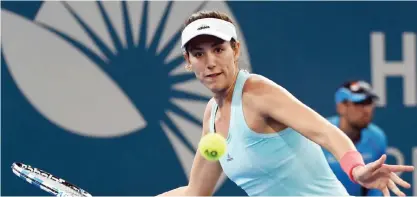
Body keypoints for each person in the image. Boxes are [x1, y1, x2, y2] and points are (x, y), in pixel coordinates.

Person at [158, 10, 414, 196]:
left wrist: (356, 170)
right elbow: (196, 192)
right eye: (199, 54)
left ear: (235, 50)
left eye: (218, 49)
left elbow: (325, 132)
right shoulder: (211, 116)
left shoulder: (257, 93)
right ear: (188, 61)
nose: (210, 62)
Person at [322, 80, 388, 196]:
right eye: (359, 103)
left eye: (369, 103)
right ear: (341, 107)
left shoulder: (377, 138)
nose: (367, 110)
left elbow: (375, 186)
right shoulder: (320, 135)